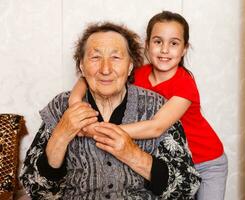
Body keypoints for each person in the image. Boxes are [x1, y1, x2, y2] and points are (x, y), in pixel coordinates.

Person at [19, 22, 201, 200]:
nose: (105, 69)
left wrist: (132, 154)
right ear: (81, 66)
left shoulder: (158, 108)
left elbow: (187, 186)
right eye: (95, 57)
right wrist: (61, 135)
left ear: (130, 66)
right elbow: (35, 189)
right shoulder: (61, 107)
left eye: (116, 57)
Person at [69, 11, 228, 200]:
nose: (164, 50)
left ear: (184, 49)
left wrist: (100, 131)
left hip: (206, 162)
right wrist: (75, 102)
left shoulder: (185, 84)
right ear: (147, 45)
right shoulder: (138, 73)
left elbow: (156, 127)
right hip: (172, 161)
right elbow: (88, 77)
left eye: (174, 43)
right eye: (158, 41)